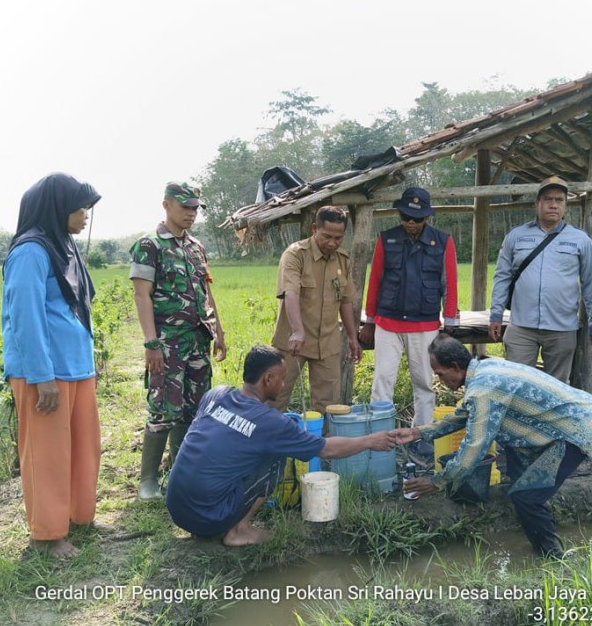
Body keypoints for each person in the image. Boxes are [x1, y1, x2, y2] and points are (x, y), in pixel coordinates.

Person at [397, 334, 592, 558]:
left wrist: (437, 481)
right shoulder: (484, 369)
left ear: (456, 366)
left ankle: (554, 558)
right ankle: (538, 533)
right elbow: (462, 417)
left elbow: (474, 448)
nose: (439, 380)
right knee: (520, 480)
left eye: (440, 374)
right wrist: (417, 432)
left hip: (578, 427)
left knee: (526, 496)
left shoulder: (483, 390)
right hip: (571, 417)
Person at [166, 346, 399, 546]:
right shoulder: (270, 423)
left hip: (177, 508)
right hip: (208, 516)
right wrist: (370, 440)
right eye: (282, 378)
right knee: (276, 456)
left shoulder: (217, 394)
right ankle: (238, 530)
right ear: (268, 379)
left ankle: (213, 518)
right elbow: (326, 449)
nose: (284, 383)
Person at [2, 172, 103, 559]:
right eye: (79, 207)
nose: (85, 215)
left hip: (76, 368)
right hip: (45, 374)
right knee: (48, 456)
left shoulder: (64, 247)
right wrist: (42, 377)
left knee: (84, 447)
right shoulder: (30, 251)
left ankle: (79, 517)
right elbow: (25, 318)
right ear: (57, 207)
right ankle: (47, 536)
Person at [130, 181, 227, 501]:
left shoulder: (197, 247)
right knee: (163, 408)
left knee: (194, 409)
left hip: (198, 339)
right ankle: (148, 480)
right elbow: (141, 295)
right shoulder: (150, 245)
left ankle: (178, 470)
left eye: (195, 208)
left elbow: (206, 292)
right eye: (185, 207)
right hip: (167, 342)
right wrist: (151, 343)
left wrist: (219, 331)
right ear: (166, 205)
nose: (191, 213)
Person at [358, 187, 459, 437]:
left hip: (425, 325)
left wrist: (450, 324)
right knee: (382, 380)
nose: (410, 223)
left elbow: (450, 284)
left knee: (424, 382)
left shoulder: (443, 241)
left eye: (417, 219)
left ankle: (421, 436)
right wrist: (369, 322)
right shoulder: (386, 239)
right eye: (405, 218)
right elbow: (376, 281)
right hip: (387, 323)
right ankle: (379, 437)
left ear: (427, 217)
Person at [488, 176, 592, 383]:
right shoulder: (516, 236)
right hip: (521, 326)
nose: (553, 205)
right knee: (516, 384)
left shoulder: (581, 240)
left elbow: (591, 284)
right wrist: (496, 314)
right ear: (537, 204)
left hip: (562, 329)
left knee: (556, 388)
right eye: (548, 199)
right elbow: (502, 276)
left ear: (566, 206)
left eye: (559, 200)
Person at [269, 206, 361, 414]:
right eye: (327, 236)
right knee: (276, 396)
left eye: (338, 238)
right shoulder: (295, 255)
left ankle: (324, 443)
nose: (332, 243)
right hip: (293, 341)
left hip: (328, 343)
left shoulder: (343, 260)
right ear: (314, 229)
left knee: (328, 405)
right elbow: (290, 292)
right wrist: (297, 330)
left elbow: (345, 301)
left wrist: (353, 337)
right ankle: (267, 443)